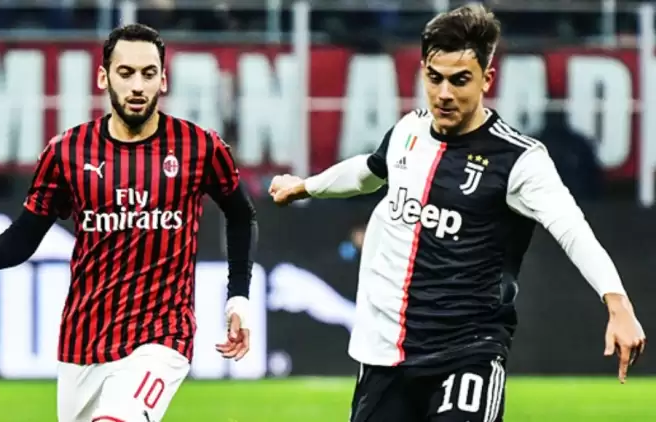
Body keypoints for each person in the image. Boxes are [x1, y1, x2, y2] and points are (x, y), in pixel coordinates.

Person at [269, 4, 645, 422]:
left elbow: (573, 230)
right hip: (387, 355)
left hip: (468, 353)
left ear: (487, 79)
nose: (444, 93)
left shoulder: (519, 160)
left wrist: (618, 304)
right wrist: (306, 185)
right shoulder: (408, 131)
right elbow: (368, 172)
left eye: (460, 80)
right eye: (435, 78)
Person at [0, 24, 258, 422]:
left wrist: (238, 298)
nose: (137, 85)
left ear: (163, 80)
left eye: (148, 74)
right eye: (125, 73)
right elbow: (29, 230)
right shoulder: (67, 152)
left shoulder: (200, 147)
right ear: (103, 77)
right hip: (83, 341)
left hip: (162, 337)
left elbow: (241, 215)